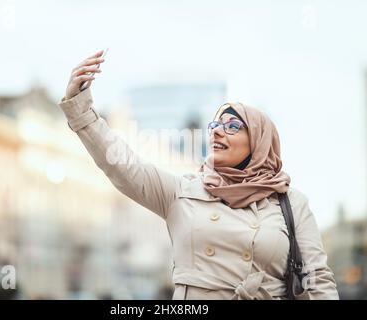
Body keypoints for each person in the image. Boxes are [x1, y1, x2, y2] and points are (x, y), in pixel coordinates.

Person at [58, 50, 339, 300]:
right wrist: (79, 107)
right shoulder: (182, 192)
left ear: (259, 141)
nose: (217, 130)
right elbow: (120, 163)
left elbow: (316, 281)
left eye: (232, 126)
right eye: (215, 124)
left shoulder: (290, 203)